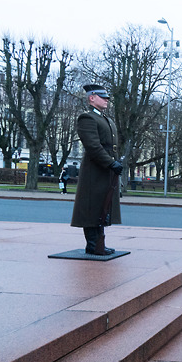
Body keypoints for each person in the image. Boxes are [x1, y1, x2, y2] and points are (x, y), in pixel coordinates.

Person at [70, 84, 123, 255]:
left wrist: (113, 163)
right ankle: (93, 244)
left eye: (107, 97)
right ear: (92, 98)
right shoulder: (87, 118)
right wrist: (110, 163)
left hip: (106, 169)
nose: (107, 99)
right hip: (95, 170)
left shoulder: (105, 119)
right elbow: (93, 146)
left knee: (103, 207)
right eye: (103, 97)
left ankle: (99, 243)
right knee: (92, 207)